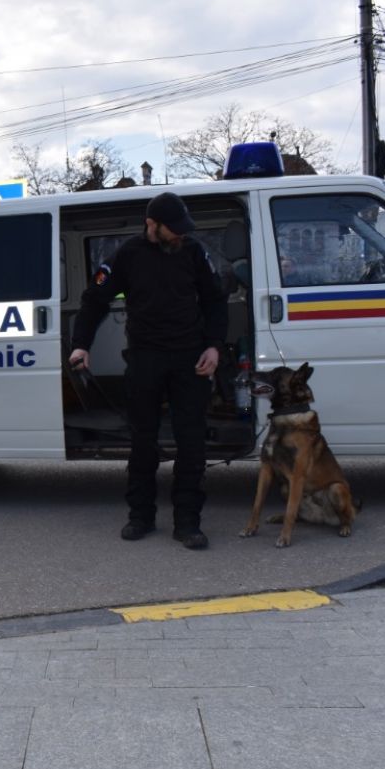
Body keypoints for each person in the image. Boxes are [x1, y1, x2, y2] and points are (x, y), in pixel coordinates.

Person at [69, 192, 228, 550]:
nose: (181, 234)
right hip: (145, 359)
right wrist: (81, 344)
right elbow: (94, 300)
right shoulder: (127, 254)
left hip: (190, 359)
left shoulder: (193, 251)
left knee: (191, 442)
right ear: (151, 225)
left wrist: (214, 346)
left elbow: (215, 301)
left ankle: (187, 522)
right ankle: (140, 516)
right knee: (142, 441)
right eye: (174, 228)